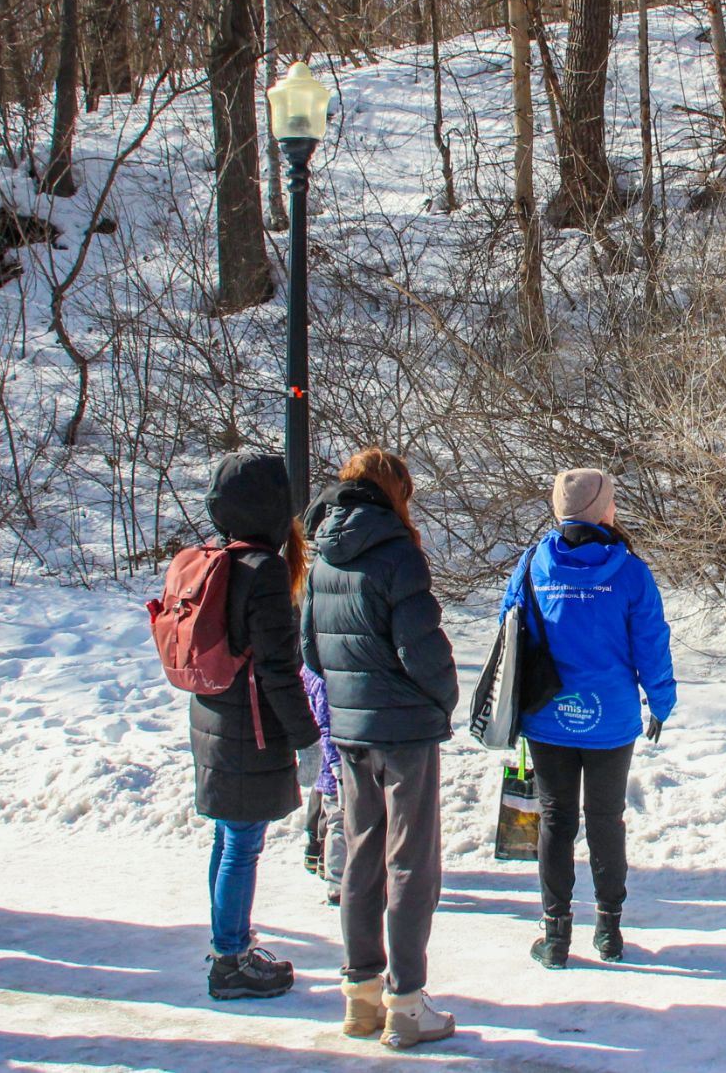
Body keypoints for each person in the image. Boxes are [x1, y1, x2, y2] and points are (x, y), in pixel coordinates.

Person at [301, 447, 459, 1050]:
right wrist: (443, 699)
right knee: (411, 863)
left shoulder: (321, 557)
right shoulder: (398, 555)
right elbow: (422, 650)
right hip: (404, 730)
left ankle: (360, 997)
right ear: (395, 493)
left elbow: (312, 655)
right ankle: (407, 1001)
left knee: (362, 858)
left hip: (350, 727)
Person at [514, 468, 676, 969]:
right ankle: (609, 931)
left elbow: (509, 630)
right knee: (606, 819)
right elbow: (651, 642)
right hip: (611, 718)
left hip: (546, 714)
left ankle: (555, 935)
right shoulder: (629, 572)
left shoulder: (533, 564)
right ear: (606, 510)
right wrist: (661, 701)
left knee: (556, 819)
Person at [187, 453, 321, 1000]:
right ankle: (230, 960)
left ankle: (230, 942)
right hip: (252, 728)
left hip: (215, 716)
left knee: (227, 834)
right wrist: (307, 737)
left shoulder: (215, 558)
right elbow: (277, 669)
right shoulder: (263, 571)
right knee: (242, 842)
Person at [297, 665, 346, 906]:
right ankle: (336, 882)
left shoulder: (312, 671)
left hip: (325, 763)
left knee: (330, 818)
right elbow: (326, 727)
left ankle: (321, 860)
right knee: (339, 822)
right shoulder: (325, 678)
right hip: (333, 763)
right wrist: (337, 764)